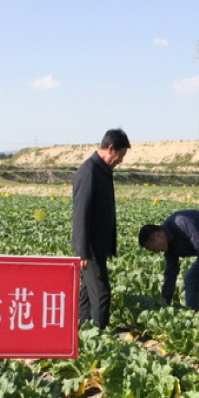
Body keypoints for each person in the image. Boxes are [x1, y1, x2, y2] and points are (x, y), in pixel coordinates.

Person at [71, 128, 131, 328]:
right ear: (111, 149)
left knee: (88, 293)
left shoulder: (102, 171)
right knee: (102, 294)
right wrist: (82, 252)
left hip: (97, 246)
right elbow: (81, 213)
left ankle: (82, 334)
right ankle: (100, 339)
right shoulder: (89, 172)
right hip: (90, 248)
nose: (120, 161)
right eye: (120, 155)